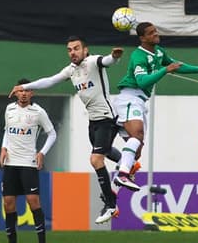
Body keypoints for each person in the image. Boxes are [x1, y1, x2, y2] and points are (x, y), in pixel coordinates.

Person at [7, 36, 127, 224]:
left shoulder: (92, 61)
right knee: (103, 151)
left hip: (106, 118)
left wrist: (115, 56)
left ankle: (111, 205)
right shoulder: (71, 70)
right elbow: (49, 81)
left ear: (85, 50)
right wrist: (24, 86)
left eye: (76, 48)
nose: (73, 52)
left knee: (96, 159)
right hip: (93, 121)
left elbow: (107, 61)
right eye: (69, 50)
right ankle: (125, 162)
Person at [113, 22, 198, 191]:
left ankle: (112, 190)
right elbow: (142, 82)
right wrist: (165, 70)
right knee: (138, 134)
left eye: (155, 30)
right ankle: (123, 175)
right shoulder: (138, 56)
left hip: (140, 101)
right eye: (151, 33)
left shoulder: (158, 51)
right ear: (142, 38)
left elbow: (177, 65)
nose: (156, 34)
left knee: (138, 149)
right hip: (130, 97)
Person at [1, 78, 57, 243]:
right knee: (8, 203)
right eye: (20, 91)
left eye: (27, 91)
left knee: (33, 201)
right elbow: (7, 131)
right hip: (10, 163)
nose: (24, 94)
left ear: (32, 93)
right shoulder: (9, 110)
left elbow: (52, 133)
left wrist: (42, 152)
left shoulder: (38, 112)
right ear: (16, 92)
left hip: (28, 163)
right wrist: (3, 148)